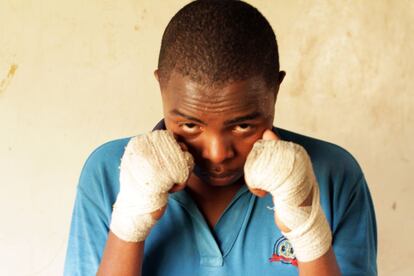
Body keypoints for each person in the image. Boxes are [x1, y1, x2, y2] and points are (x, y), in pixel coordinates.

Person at [64, 1, 377, 275]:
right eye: (189, 125)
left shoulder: (334, 173)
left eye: (242, 126)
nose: (216, 153)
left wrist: (308, 232)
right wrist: (128, 224)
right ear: (161, 86)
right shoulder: (108, 171)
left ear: (275, 90)